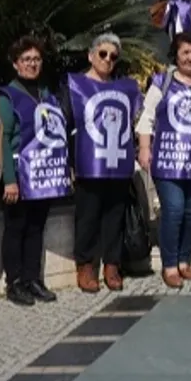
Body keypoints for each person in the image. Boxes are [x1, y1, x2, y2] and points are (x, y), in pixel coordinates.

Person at [66, 34, 142, 294]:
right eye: (102, 54)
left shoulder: (125, 88)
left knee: (114, 216)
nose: (107, 59)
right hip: (88, 164)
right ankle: (85, 265)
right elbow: (67, 124)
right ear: (90, 55)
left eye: (113, 56)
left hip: (118, 162)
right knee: (87, 216)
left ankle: (112, 264)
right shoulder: (74, 86)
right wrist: (69, 162)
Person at [0, 36, 68, 306]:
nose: (32, 64)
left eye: (36, 59)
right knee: (16, 228)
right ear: (16, 64)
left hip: (43, 175)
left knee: (36, 227)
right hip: (19, 174)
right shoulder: (8, 96)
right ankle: (14, 282)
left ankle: (32, 279)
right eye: (26, 59)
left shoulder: (47, 93)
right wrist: (9, 180)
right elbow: (4, 139)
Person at [137, 33, 191, 289]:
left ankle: (184, 260)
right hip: (168, 159)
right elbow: (147, 117)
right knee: (174, 209)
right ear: (176, 56)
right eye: (185, 52)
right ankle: (169, 265)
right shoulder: (163, 81)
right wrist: (144, 148)